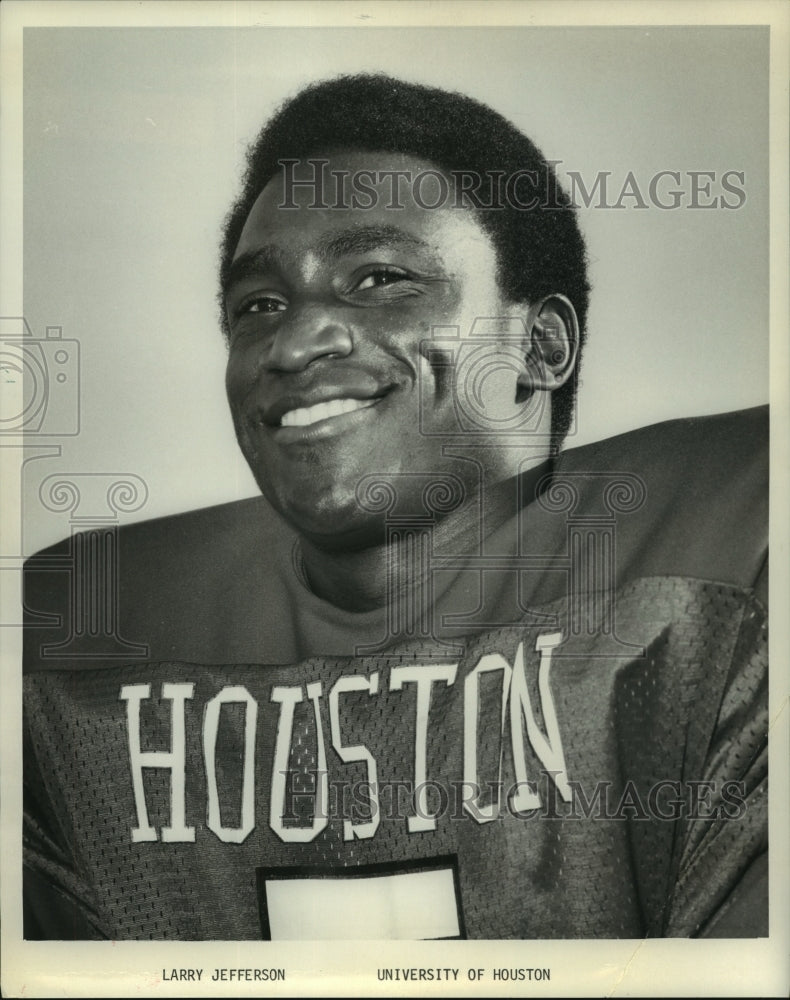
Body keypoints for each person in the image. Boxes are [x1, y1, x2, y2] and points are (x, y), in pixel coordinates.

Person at [22, 74, 767, 941]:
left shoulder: (733, 539)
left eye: (379, 278)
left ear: (539, 344)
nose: (295, 341)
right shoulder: (80, 635)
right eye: (258, 305)